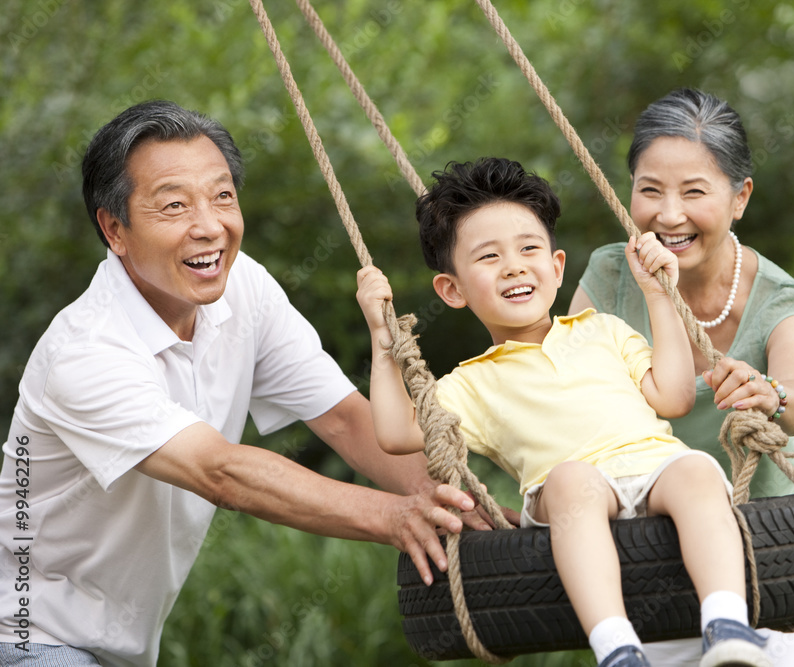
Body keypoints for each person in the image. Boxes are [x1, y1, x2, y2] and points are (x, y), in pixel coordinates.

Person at [0, 100, 484, 667]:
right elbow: (220, 472)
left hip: (121, 646)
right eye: (174, 205)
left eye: (222, 196)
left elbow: (341, 416)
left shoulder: (242, 284)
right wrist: (395, 518)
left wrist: (453, 505)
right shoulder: (84, 353)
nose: (209, 226)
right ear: (115, 229)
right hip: (27, 633)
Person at [356, 157, 772, 667]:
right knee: (574, 478)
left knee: (696, 468)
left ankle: (727, 624)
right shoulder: (471, 382)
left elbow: (675, 398)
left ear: (555, 268)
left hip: (654, 468)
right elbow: (397, 432)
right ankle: (617, 648)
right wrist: (383, 341)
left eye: (528, 249)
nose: (513, 266)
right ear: (453, 291)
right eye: (488, 257)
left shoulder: (604, 330)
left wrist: (657, 295)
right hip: (567, 493)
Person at [568, 88, 794, 665]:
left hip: (772, 555)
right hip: (651, 556)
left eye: (694, 192)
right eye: (650, 190)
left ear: (740, 198)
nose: (669, 215)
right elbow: (559, 377)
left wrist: (771, 393)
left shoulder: (786, 300)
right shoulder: (613, 273)